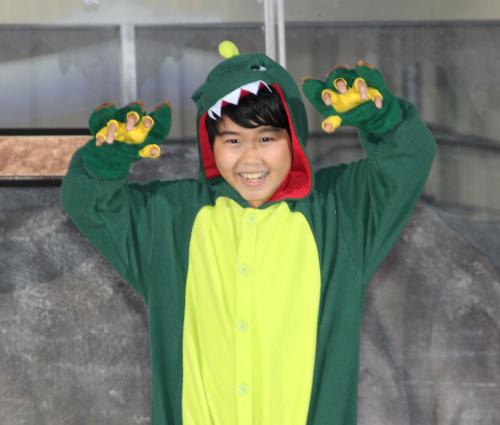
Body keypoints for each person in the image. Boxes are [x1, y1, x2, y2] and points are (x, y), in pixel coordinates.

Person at [60, 41, 437, 425]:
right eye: (233, 140)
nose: (250, 158)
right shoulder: (170, 219)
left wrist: (382, 119)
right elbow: (87, 200)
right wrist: (107, 159)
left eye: (267, 138)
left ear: (293, 138)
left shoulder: (340, 212)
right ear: (210, 144)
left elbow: (409, 158)